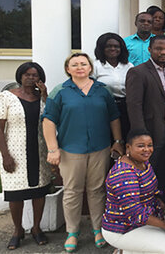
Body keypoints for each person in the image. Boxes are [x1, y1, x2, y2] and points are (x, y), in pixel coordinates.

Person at [42, 53, 124, 252]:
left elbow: (114, 118)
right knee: (72, 191)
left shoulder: (102, 91)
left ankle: (98, 229)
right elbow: (49, 121)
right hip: (71, 150)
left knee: (97, 190)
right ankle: (72, 232)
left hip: (100, 148)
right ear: (68, 69)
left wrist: (118, 141)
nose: (80, 67)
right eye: (74, 64)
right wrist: (52, 149)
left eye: (83, 64)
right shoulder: (59, 91)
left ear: (90, 68)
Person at [102, 129, 165, 254]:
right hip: (122, 229)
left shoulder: (143, 162)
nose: (147, 149)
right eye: (141, 146)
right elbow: (134, 212)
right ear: (128, 147)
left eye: (149, 145)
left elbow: (148, 190)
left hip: (140, 222)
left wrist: (159, 203)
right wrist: (163, 223)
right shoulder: (124, 174)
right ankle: (122, 249)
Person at [0, 62, 52, 250]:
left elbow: (50, 120)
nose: (31, 78)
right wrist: (5, 155)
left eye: (35, 75)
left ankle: (36, 229)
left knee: (39, 191)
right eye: (27, 75)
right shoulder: (6, 97)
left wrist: (45, 95)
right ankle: (17, 230)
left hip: (39, 150)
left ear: (40, 78)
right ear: (20, 76)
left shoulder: (43, 98)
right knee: (16, 194)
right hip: (15, 152)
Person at [126, 35, 165, 197]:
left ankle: (160, 205)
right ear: (150, 50)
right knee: (147, 171)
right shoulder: (138, 72)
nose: (163, 52)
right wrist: (141, 136)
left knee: (164, 170)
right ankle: (144, 209)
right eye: (159, 49)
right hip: (150, 131)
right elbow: (134, 105)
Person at [93, 32, 134, 144]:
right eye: (108, 46)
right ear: (102, 48)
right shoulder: (95, 66)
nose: (113, 49)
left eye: (116, 46)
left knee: (124, 138)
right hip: (103, 107)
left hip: (124, 107)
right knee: (106, 138)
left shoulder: (128, 66)